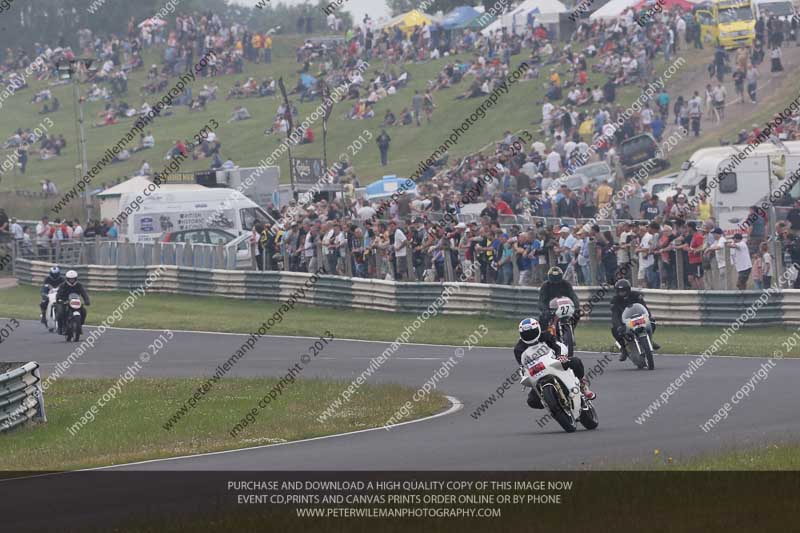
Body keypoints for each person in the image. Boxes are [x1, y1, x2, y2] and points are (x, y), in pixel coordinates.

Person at [513, 318, 595, 402]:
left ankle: (583, 386)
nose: (530, 335)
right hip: (538, 372)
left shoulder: (545, 336)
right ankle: (550, 405)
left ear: (538, 329)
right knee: (532, 401)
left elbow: (557, 347)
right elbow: (523, 366)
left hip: (553, 363)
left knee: (576, 361)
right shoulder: (519, 349)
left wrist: (560, 356)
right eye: (526, 334)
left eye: (532, 332)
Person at [610, 279, 660, 361]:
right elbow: (615, 315)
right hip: (624, 321)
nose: (621, 293)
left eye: (623, 291)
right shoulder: (615, 300)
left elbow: (644, 307)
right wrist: (618, 326)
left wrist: (649, 316)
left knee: (652, 322)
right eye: (619, 291)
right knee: (613, 328)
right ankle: (623, 349)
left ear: (628, 290)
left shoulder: (636, 295)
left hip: (638, 317)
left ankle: (650, 340)